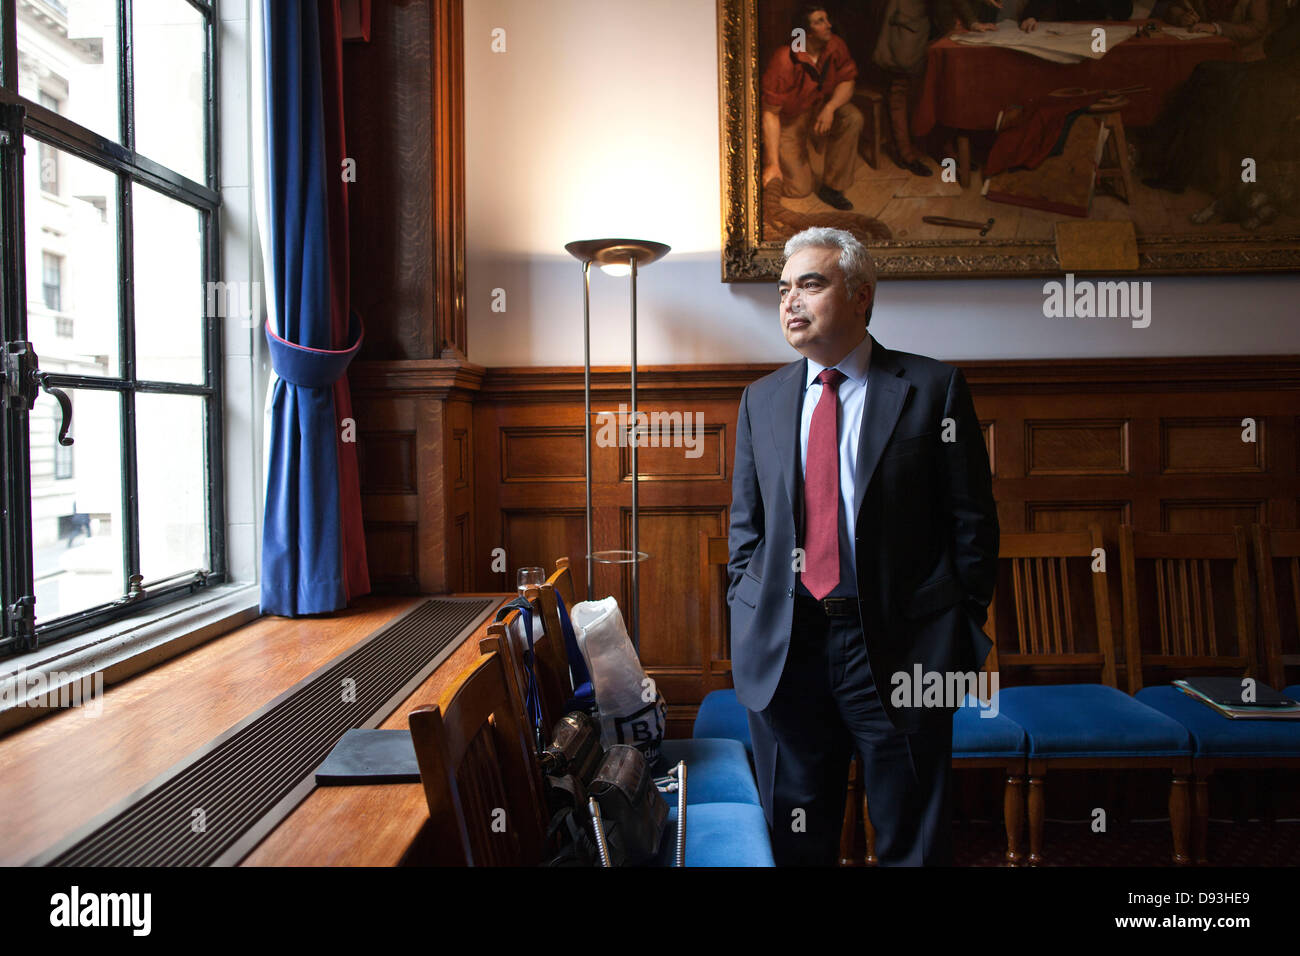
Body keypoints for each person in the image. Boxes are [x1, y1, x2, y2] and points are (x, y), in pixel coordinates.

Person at [727, 226, 999, 866]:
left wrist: (958, 627)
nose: (791, 300)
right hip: (790, 648)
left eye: (811, 284)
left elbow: (974, 525)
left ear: (861, 295)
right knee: (797, 835)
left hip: (902, 647)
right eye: (784, 288)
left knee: (914, 840)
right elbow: (748, 531)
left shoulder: (932, 390)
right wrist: (750, 618)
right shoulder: (761, 400)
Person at [873, 0, 997, 177]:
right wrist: (971, 23)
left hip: (930, 21)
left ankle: (942, 148)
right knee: (899, 89)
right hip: (907, 23)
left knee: (942, 85)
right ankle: (905, 153)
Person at [761, 5, 863, 210]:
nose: (829, 25)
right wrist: (773, 163)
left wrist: (830, 108)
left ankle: (832, 188)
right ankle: (764, 164)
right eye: (820, 21)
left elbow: (847, 81)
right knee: (799, 189)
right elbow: (770, 114)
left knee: (852, 117)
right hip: (788, 120)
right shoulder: (784, 58)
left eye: (826, 19)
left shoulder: (835, 44)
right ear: (805, 31)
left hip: (818, 110)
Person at [1019, 0, 1134, 31]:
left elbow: (1123, 14)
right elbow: (1037, 5)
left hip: (1099, 31)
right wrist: (1031, 17)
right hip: (1066, 31)